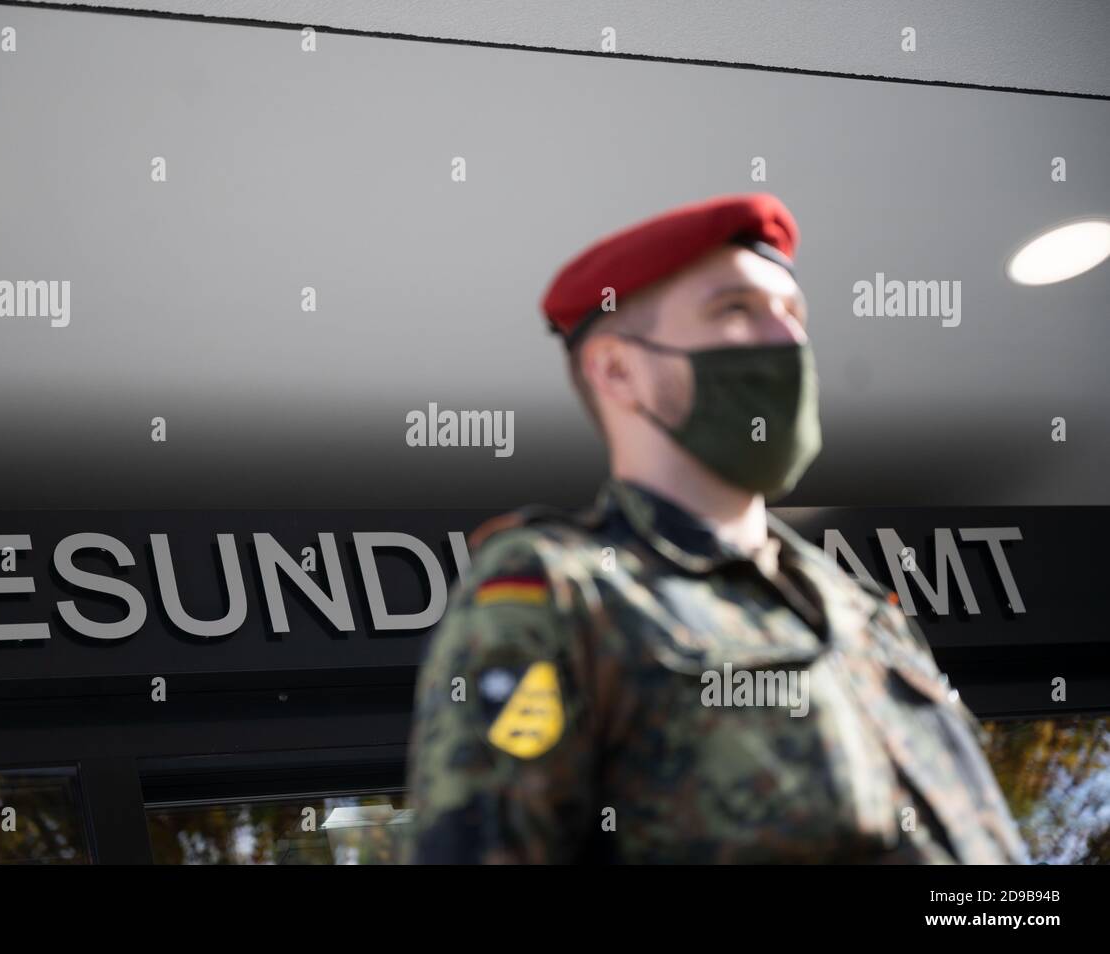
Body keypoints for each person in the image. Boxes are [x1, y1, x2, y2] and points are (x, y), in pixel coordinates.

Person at [403, 193, 1027, 864]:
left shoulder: (861, 610)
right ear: (618, 369)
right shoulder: (565, 592)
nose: (787, 340)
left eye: (793, 314)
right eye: (735, 310)